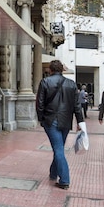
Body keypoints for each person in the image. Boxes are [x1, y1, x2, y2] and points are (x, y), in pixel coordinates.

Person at [36, 60, 85, 190]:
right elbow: (77, 105)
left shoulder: (45, 82)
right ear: (62, 69)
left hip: (51, 119)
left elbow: (40, 103)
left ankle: (64, 179)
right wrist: (80, 121)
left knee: (58, 149)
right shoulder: (71, 84)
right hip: (66, 120)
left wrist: (41, 119)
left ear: (50, 70)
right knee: (59, 147)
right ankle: (53, 173)